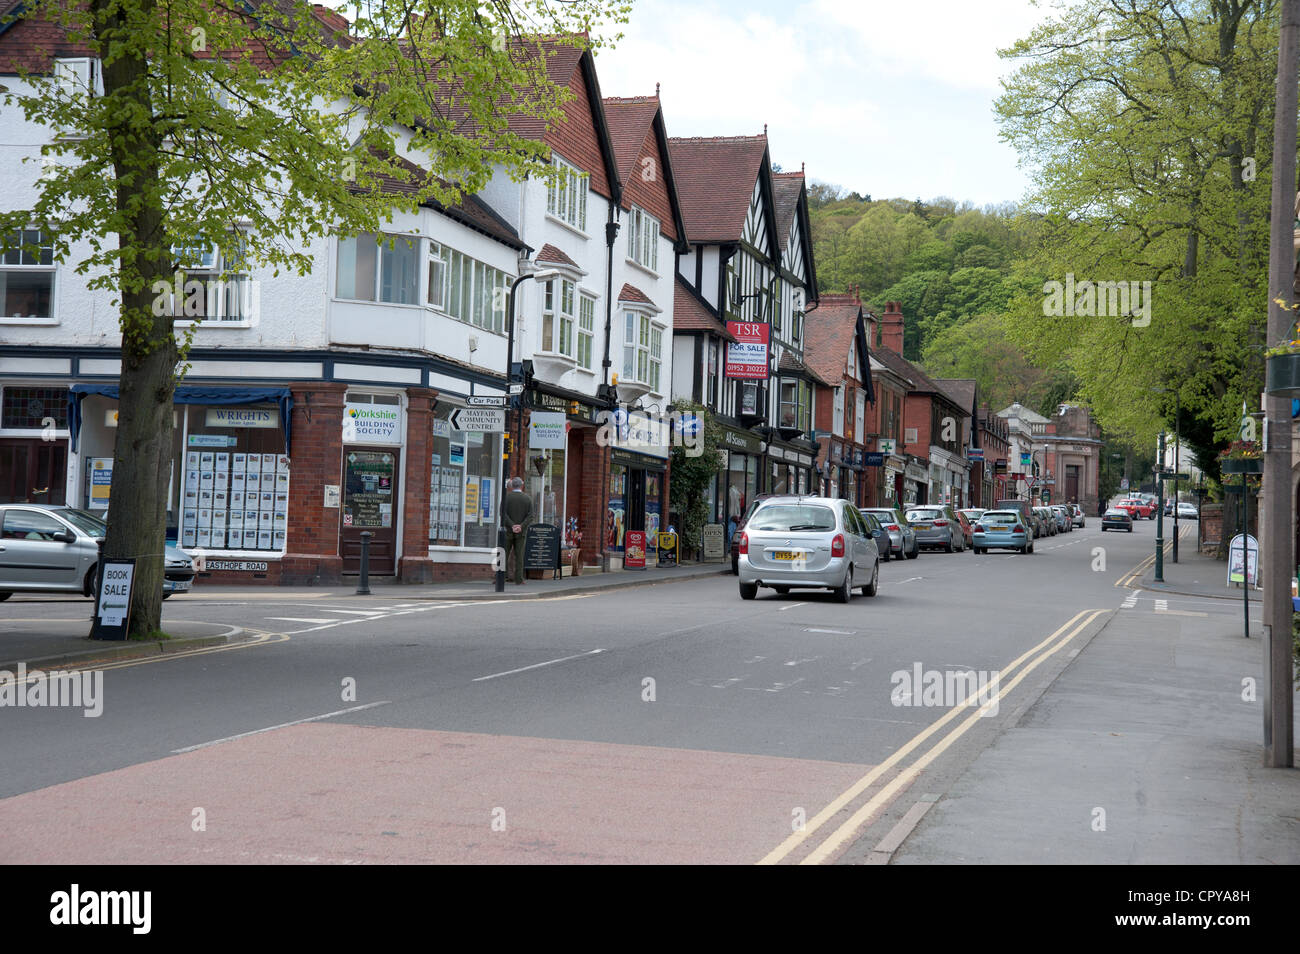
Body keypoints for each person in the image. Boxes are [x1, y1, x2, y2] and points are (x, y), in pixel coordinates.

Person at [503, 476, 533, 585]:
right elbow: (530, 516)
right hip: (521, 532)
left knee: (503, 554)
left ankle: (501, 577)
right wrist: (521, 526)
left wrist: (512, 525)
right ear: (522, 485)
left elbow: (503, 514)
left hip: (508, 531)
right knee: (519, 555)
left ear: (512, 486)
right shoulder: (527, 499)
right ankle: (519, 579)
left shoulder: (506, 498)